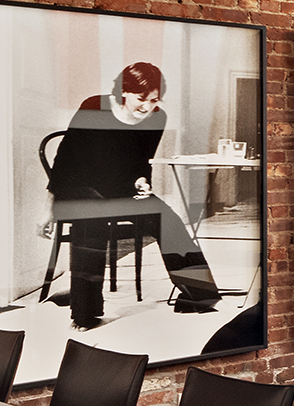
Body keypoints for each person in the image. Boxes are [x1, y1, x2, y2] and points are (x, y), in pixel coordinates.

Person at [45, 61, 221, 329]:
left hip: (119, 189)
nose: (147, 107)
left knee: (166, 217)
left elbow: (140, 162)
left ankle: (201, 293)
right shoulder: (94, 106)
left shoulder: (157, 117)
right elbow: (65, 161)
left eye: (154, 100)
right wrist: (48, 207)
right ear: (124, 91)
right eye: (141, 99)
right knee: (90, 217)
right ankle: (85, 312)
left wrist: (141, 181)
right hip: (79, 187)